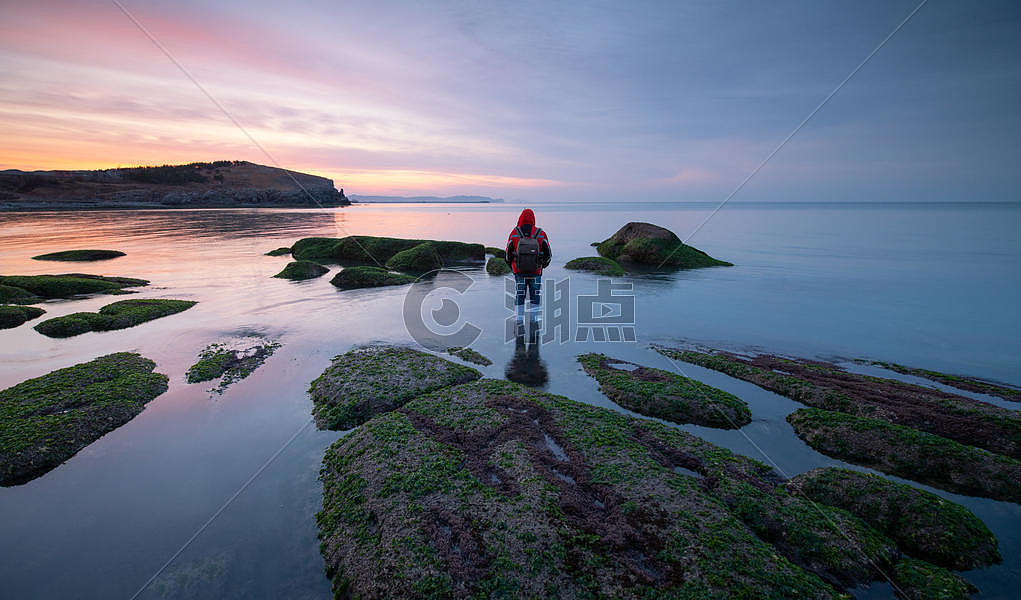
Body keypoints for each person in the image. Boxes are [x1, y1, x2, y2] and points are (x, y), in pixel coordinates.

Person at [505, 208, 551, 316]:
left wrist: (513, 269)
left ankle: (519, 321)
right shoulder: (540, 233)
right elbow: (548, 254)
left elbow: (507, 255)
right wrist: (541, 266)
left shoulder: (514, 232)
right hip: (536, 272)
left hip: (519, 271)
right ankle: (534, 322)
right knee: (535, 297)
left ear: (520, 218)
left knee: (520, 296)